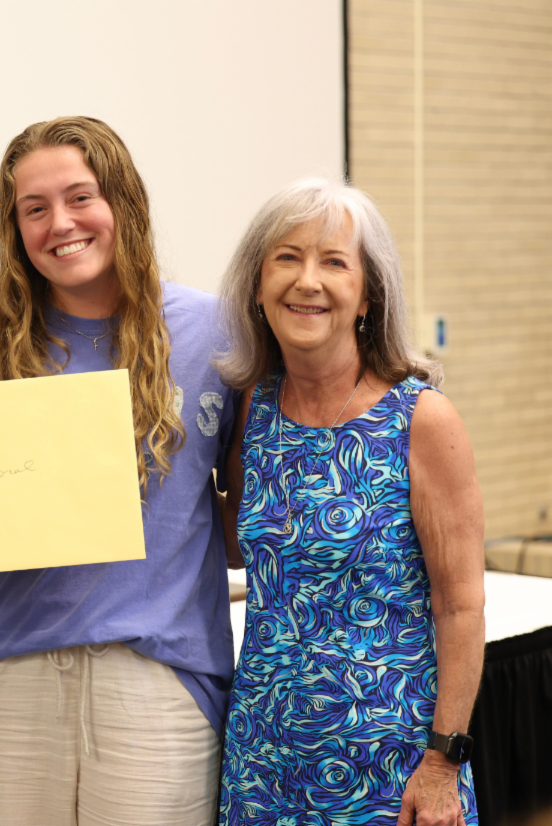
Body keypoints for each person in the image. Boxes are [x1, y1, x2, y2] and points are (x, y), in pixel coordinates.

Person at [0, 116, 236, 825]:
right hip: (13, 678)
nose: (58, 223)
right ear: (13, 228)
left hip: (158, 680)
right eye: (33, 209)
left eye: (79, 197)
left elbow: (250, 502)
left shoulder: (216, 333)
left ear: (123, 204)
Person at [215, 178, 484, 825]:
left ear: (368, 294)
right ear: (257, 284)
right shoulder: (253, 409)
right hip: (264, 763)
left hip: (395, 774)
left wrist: (443, 764)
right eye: (287, 257)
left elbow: (461, 606)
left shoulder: (421, 420)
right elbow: (234, 544)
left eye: (334, 261)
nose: (308, 280)